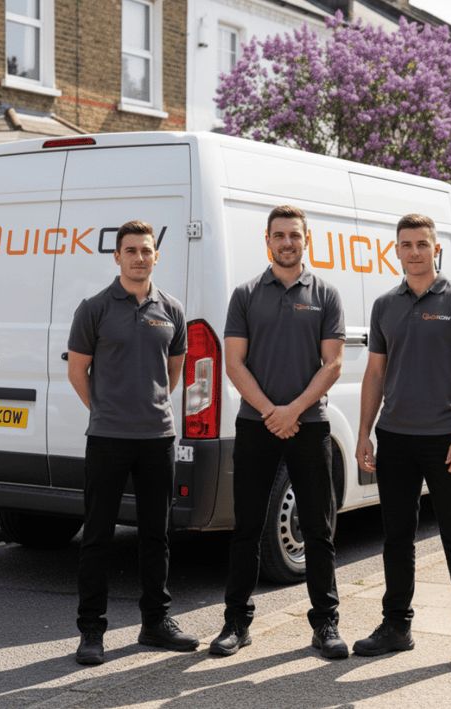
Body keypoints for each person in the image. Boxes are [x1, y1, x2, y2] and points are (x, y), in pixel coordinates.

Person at [209, 205, 348, 659]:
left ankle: (325, 625)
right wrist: (272, 411)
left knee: (318, 529)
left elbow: (333, 364)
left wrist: (294, 411)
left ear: (307, 240)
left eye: (294, 235)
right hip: (256, 424)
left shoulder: (326, 294)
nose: (287, 242)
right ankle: (236, 623)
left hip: (310, 426)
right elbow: (234, 362)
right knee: (246, 526)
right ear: (266, 240)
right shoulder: (246, 294)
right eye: (279, 235)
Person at [354, 213, 451, 672]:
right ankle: (396, 627)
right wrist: (363, 435)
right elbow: (374, 374)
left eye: (422, 244)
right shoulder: (384, 305)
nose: (414, 251)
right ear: (396, 250)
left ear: (437, 250)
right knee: (396, 538)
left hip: (444, 440)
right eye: (406, 244)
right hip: (394, 438)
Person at [67, 220, 199, 665]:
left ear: (156, 256)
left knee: (156, 536)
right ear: (117, 257)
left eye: (146, 250)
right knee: (98, 536)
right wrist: (105, 410)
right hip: (107, 438)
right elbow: (77, 372)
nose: (139, 257)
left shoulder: (173, 310)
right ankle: (91, 631)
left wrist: (151, 406)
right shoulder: (95, 307)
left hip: (157, 439)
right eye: (131, 250)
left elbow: (174, 369)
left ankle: (155, 623)